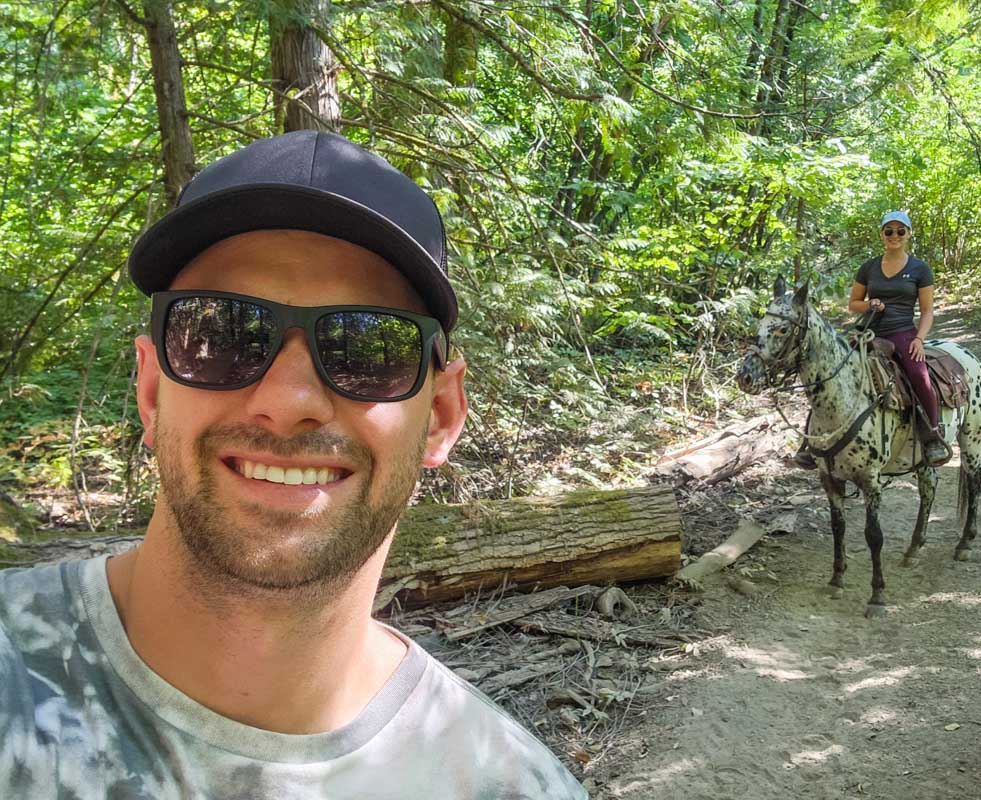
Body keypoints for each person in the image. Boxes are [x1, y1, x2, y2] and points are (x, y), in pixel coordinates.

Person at [0, 131, 588, 799]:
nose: (288, 402)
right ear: (153, 391)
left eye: (367, 347)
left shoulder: (505, 785)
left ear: (442, 418)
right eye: (221, 333)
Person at [848, 210, 952, 466]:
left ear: (908, 234)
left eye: (900, 231)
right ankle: (815, 440)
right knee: (830, 368)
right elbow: (853, 303)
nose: (894, 236)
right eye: (889, 231)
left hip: (902, 331)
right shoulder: (868, 267)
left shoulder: (920, 269)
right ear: (882, 235)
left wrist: (919, 339)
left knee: (919, 375)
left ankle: (933, 436)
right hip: (869, 331)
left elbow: (927, 311)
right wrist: (869, 303)